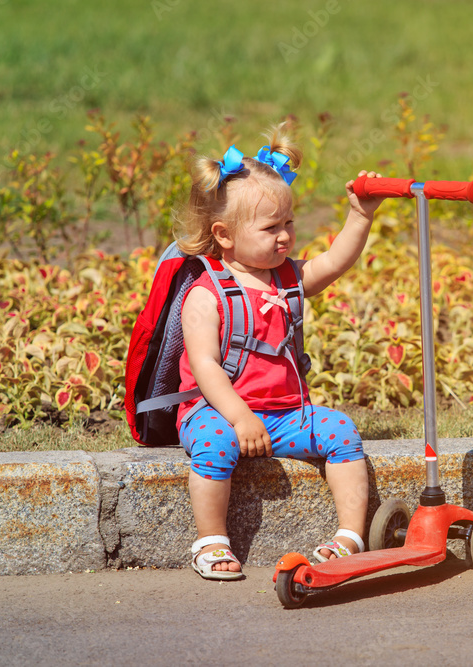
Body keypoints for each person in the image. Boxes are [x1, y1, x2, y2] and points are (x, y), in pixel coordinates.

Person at [173, 123, 382, 580]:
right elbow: (205, 367)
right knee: (214, 446)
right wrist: (240, 416)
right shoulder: (206, 294)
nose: (285, 236)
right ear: (224, 235)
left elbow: (332, 263)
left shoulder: (288, 279)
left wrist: (360, 217)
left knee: (341, 431)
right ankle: (210, 541)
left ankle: (350, 535)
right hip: (216, 411)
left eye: (289, 223)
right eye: (271, 228)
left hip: (286, 414)